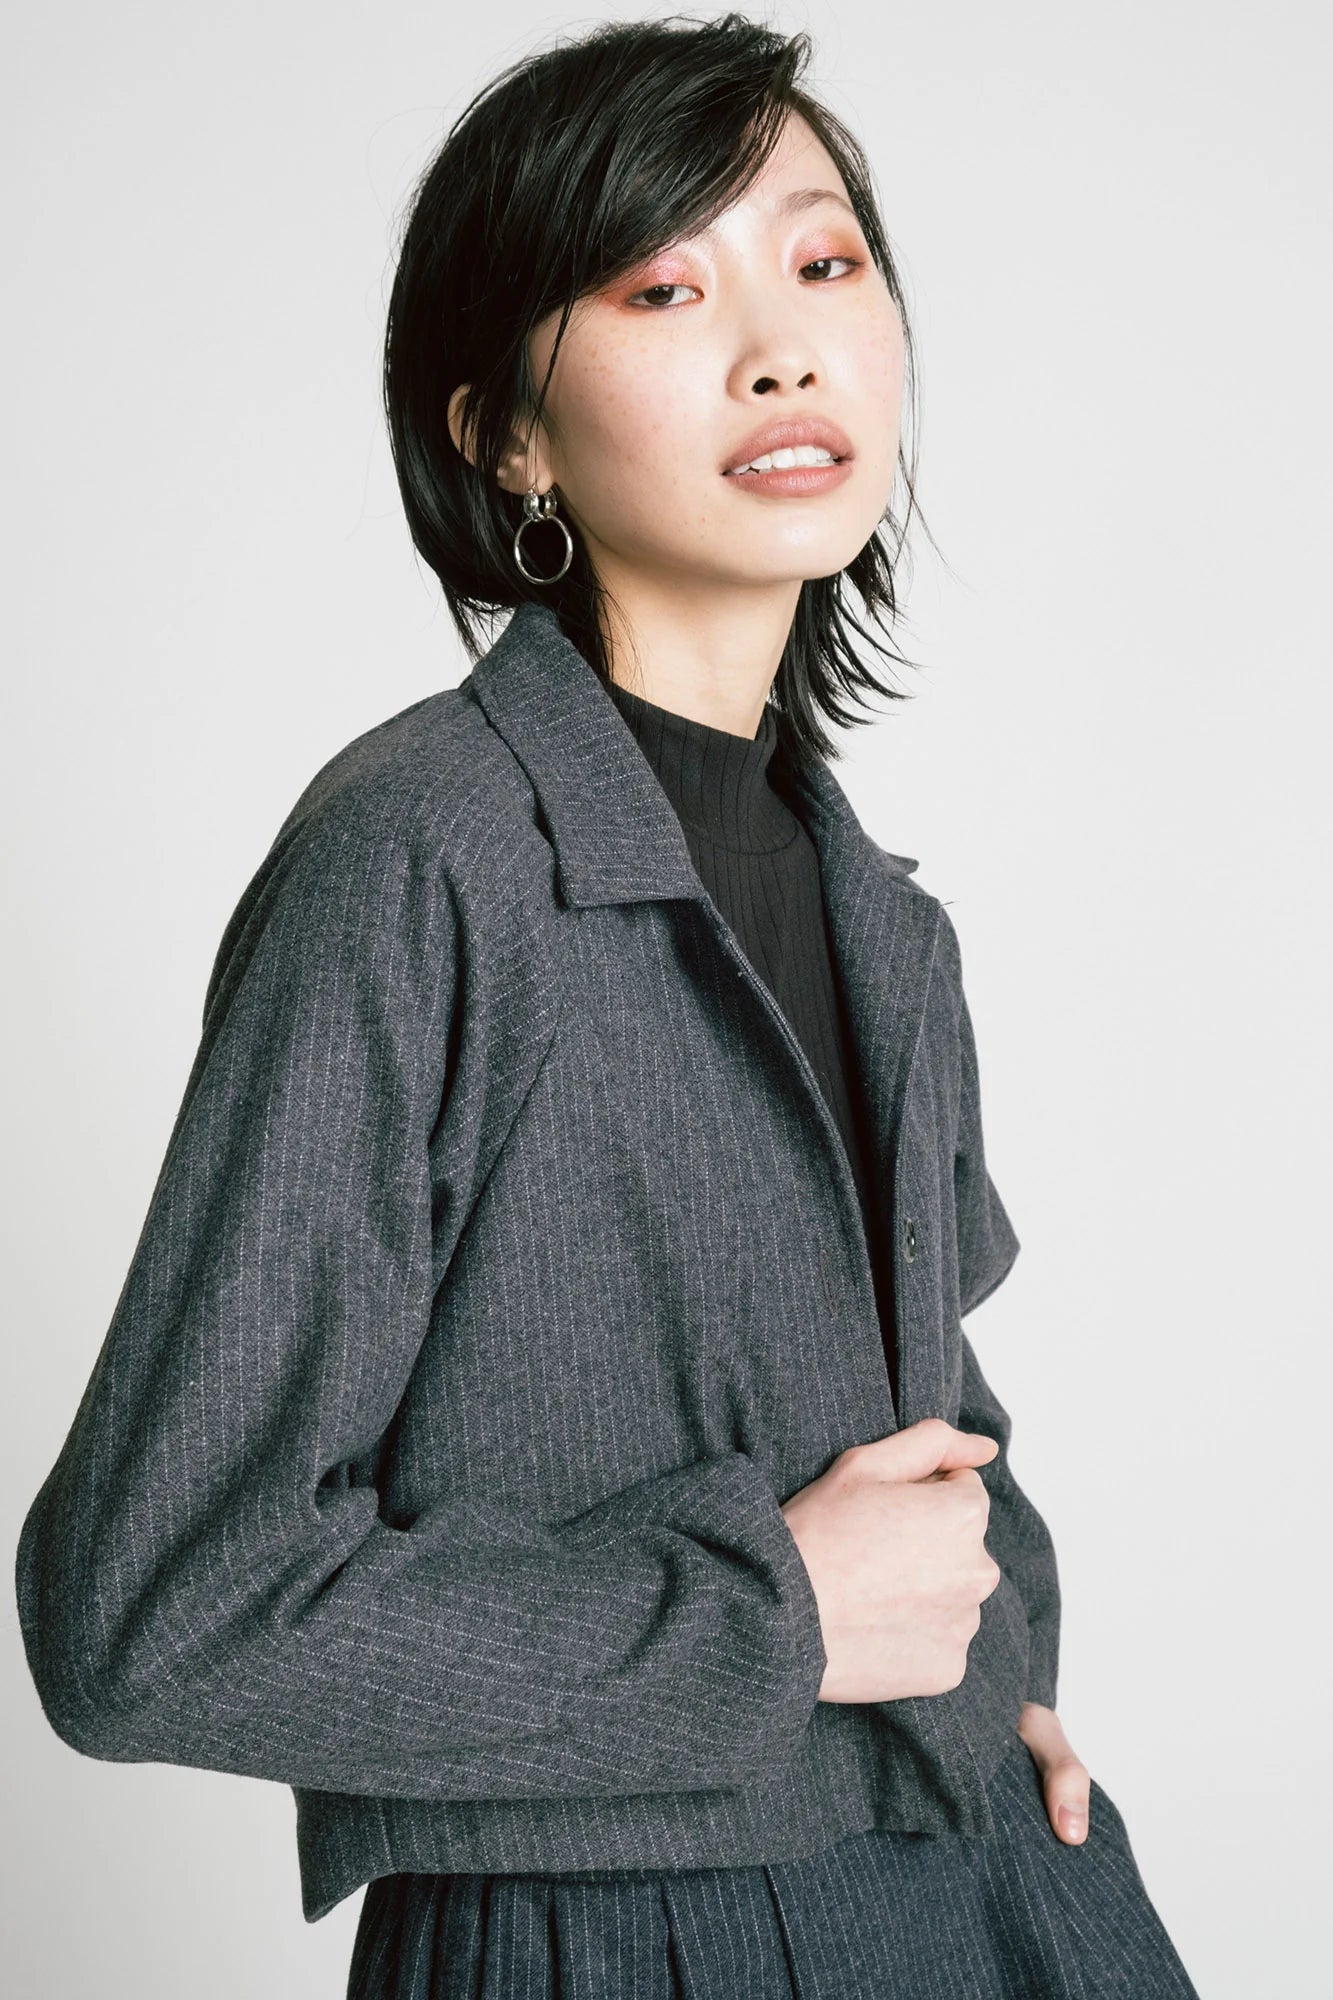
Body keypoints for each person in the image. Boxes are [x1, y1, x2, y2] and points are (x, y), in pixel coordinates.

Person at [15, 14, 1201, 1996]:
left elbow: (936, 1435)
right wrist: (772, 1619)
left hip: (995, 1886)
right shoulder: (423, 856)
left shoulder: (880, 914)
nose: (779, 347)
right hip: (615, 1933)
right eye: (664, 288)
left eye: (822, 260)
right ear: (505, 435)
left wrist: (998, 1685)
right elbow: (149, 1611)